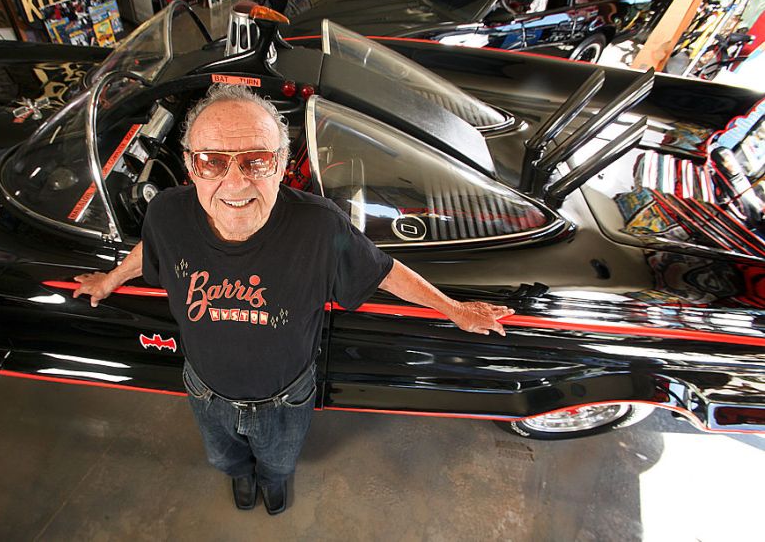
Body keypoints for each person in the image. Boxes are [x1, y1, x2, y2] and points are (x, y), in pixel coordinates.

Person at [73, 84, 513, 515]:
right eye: (211, 162)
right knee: (222, 458)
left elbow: (382, 270)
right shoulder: (167, 212)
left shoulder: (319, 227)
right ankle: (241, 477)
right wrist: (110, 280)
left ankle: (272, 482)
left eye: (256, 160)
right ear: (190, 165)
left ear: (281, 164)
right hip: (205, 390)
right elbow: (151, 249)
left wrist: (455, 310)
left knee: (280, 461)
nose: (235, 181)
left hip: (287, 398)